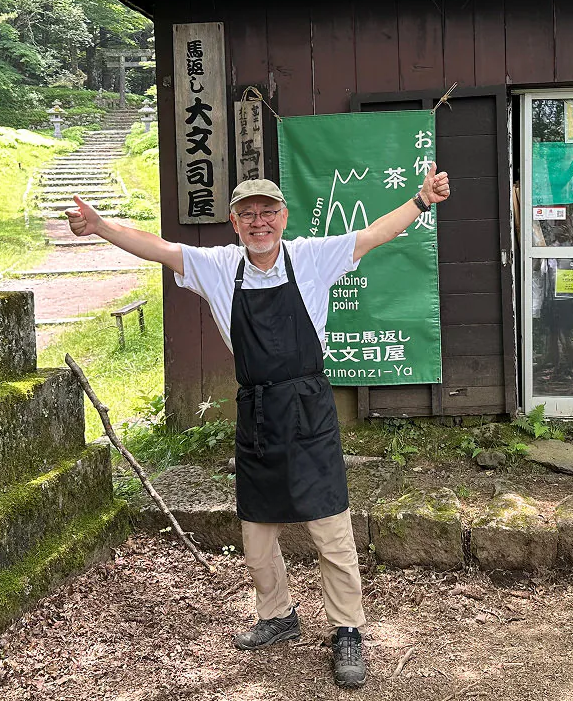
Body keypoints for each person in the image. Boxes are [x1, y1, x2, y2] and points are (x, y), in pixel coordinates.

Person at [64, 166, 451, 689]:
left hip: (309, 406)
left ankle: (347, 630)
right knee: (257, 526)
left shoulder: (312, 257)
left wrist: (421, 201)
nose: (259, 222)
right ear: (234, 222)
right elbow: (155, 246)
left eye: (268, 212)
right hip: (258, 409)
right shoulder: (219, 267)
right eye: (248, 214)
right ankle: (277, 615)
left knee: (329, 524)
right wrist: (100, 224)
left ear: (284, 218)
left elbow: (375, 233)